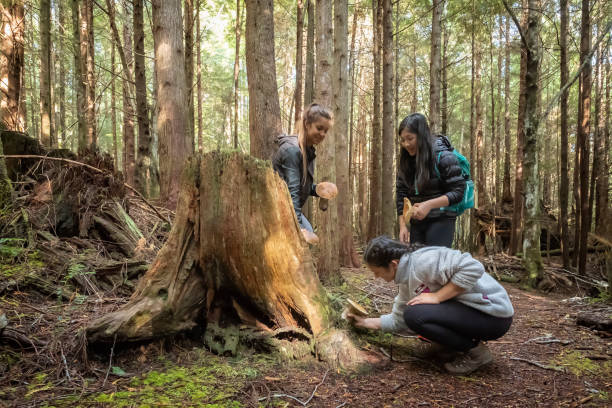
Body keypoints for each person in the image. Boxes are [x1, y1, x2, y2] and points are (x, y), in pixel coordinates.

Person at [348, 236, 514, 374]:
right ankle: (451, 347)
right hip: (474, 314)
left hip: (494, 315)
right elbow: (399, 321)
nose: (376, 277)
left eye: (377, 272)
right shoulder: (407, 281)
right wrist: (364, 322)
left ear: (393, 264)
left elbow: (473, 267)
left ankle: (477, 354)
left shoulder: (423, 261)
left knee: (416, 314)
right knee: (413, 314)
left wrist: (437, 297)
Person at [397, 113, 466, 247]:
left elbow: (458, 192)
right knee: (417, 264)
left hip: (442, 220)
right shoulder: (406, 161)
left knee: (435, 264)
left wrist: (428, 205)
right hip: (417, 222)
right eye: (403, 140)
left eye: (410, 138)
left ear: (422, 136)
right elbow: (401, 194)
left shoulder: (445, 157)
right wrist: (403, 226)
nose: (406, 144)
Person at [272, 103, 337, 244]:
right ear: (307, 124)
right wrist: (299, 228)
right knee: (301, 247)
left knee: (309, 242)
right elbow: (292, 191)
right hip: (277, 212)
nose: (322, 134)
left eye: (326, 131)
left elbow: (298, 184)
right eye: (319, 128)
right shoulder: (292, 150)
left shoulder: (307, 150)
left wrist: (316, 189)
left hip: (288, 209)